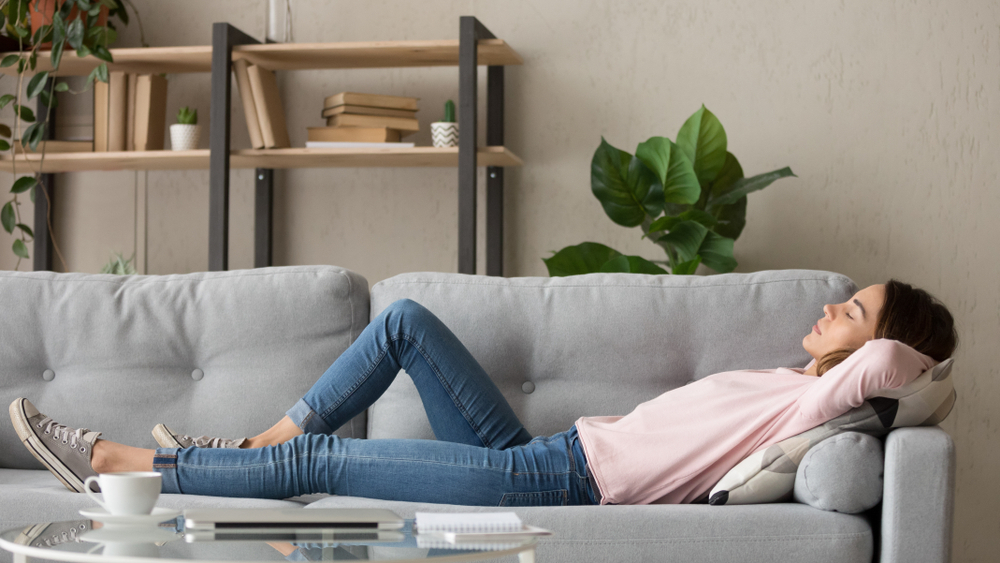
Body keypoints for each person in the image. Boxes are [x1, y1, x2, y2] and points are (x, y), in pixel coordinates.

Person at [9, 279, 957, 507]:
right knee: (405, 321)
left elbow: (896, 374)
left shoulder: (827, 403)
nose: (832, 306)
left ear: (882, 344)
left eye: (854, 310)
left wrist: (910, 349)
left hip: (562, 489)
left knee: (328, 463)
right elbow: (873, 360)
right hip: (545, 450)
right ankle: (246, 451)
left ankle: (111, 463)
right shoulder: (796, 382)